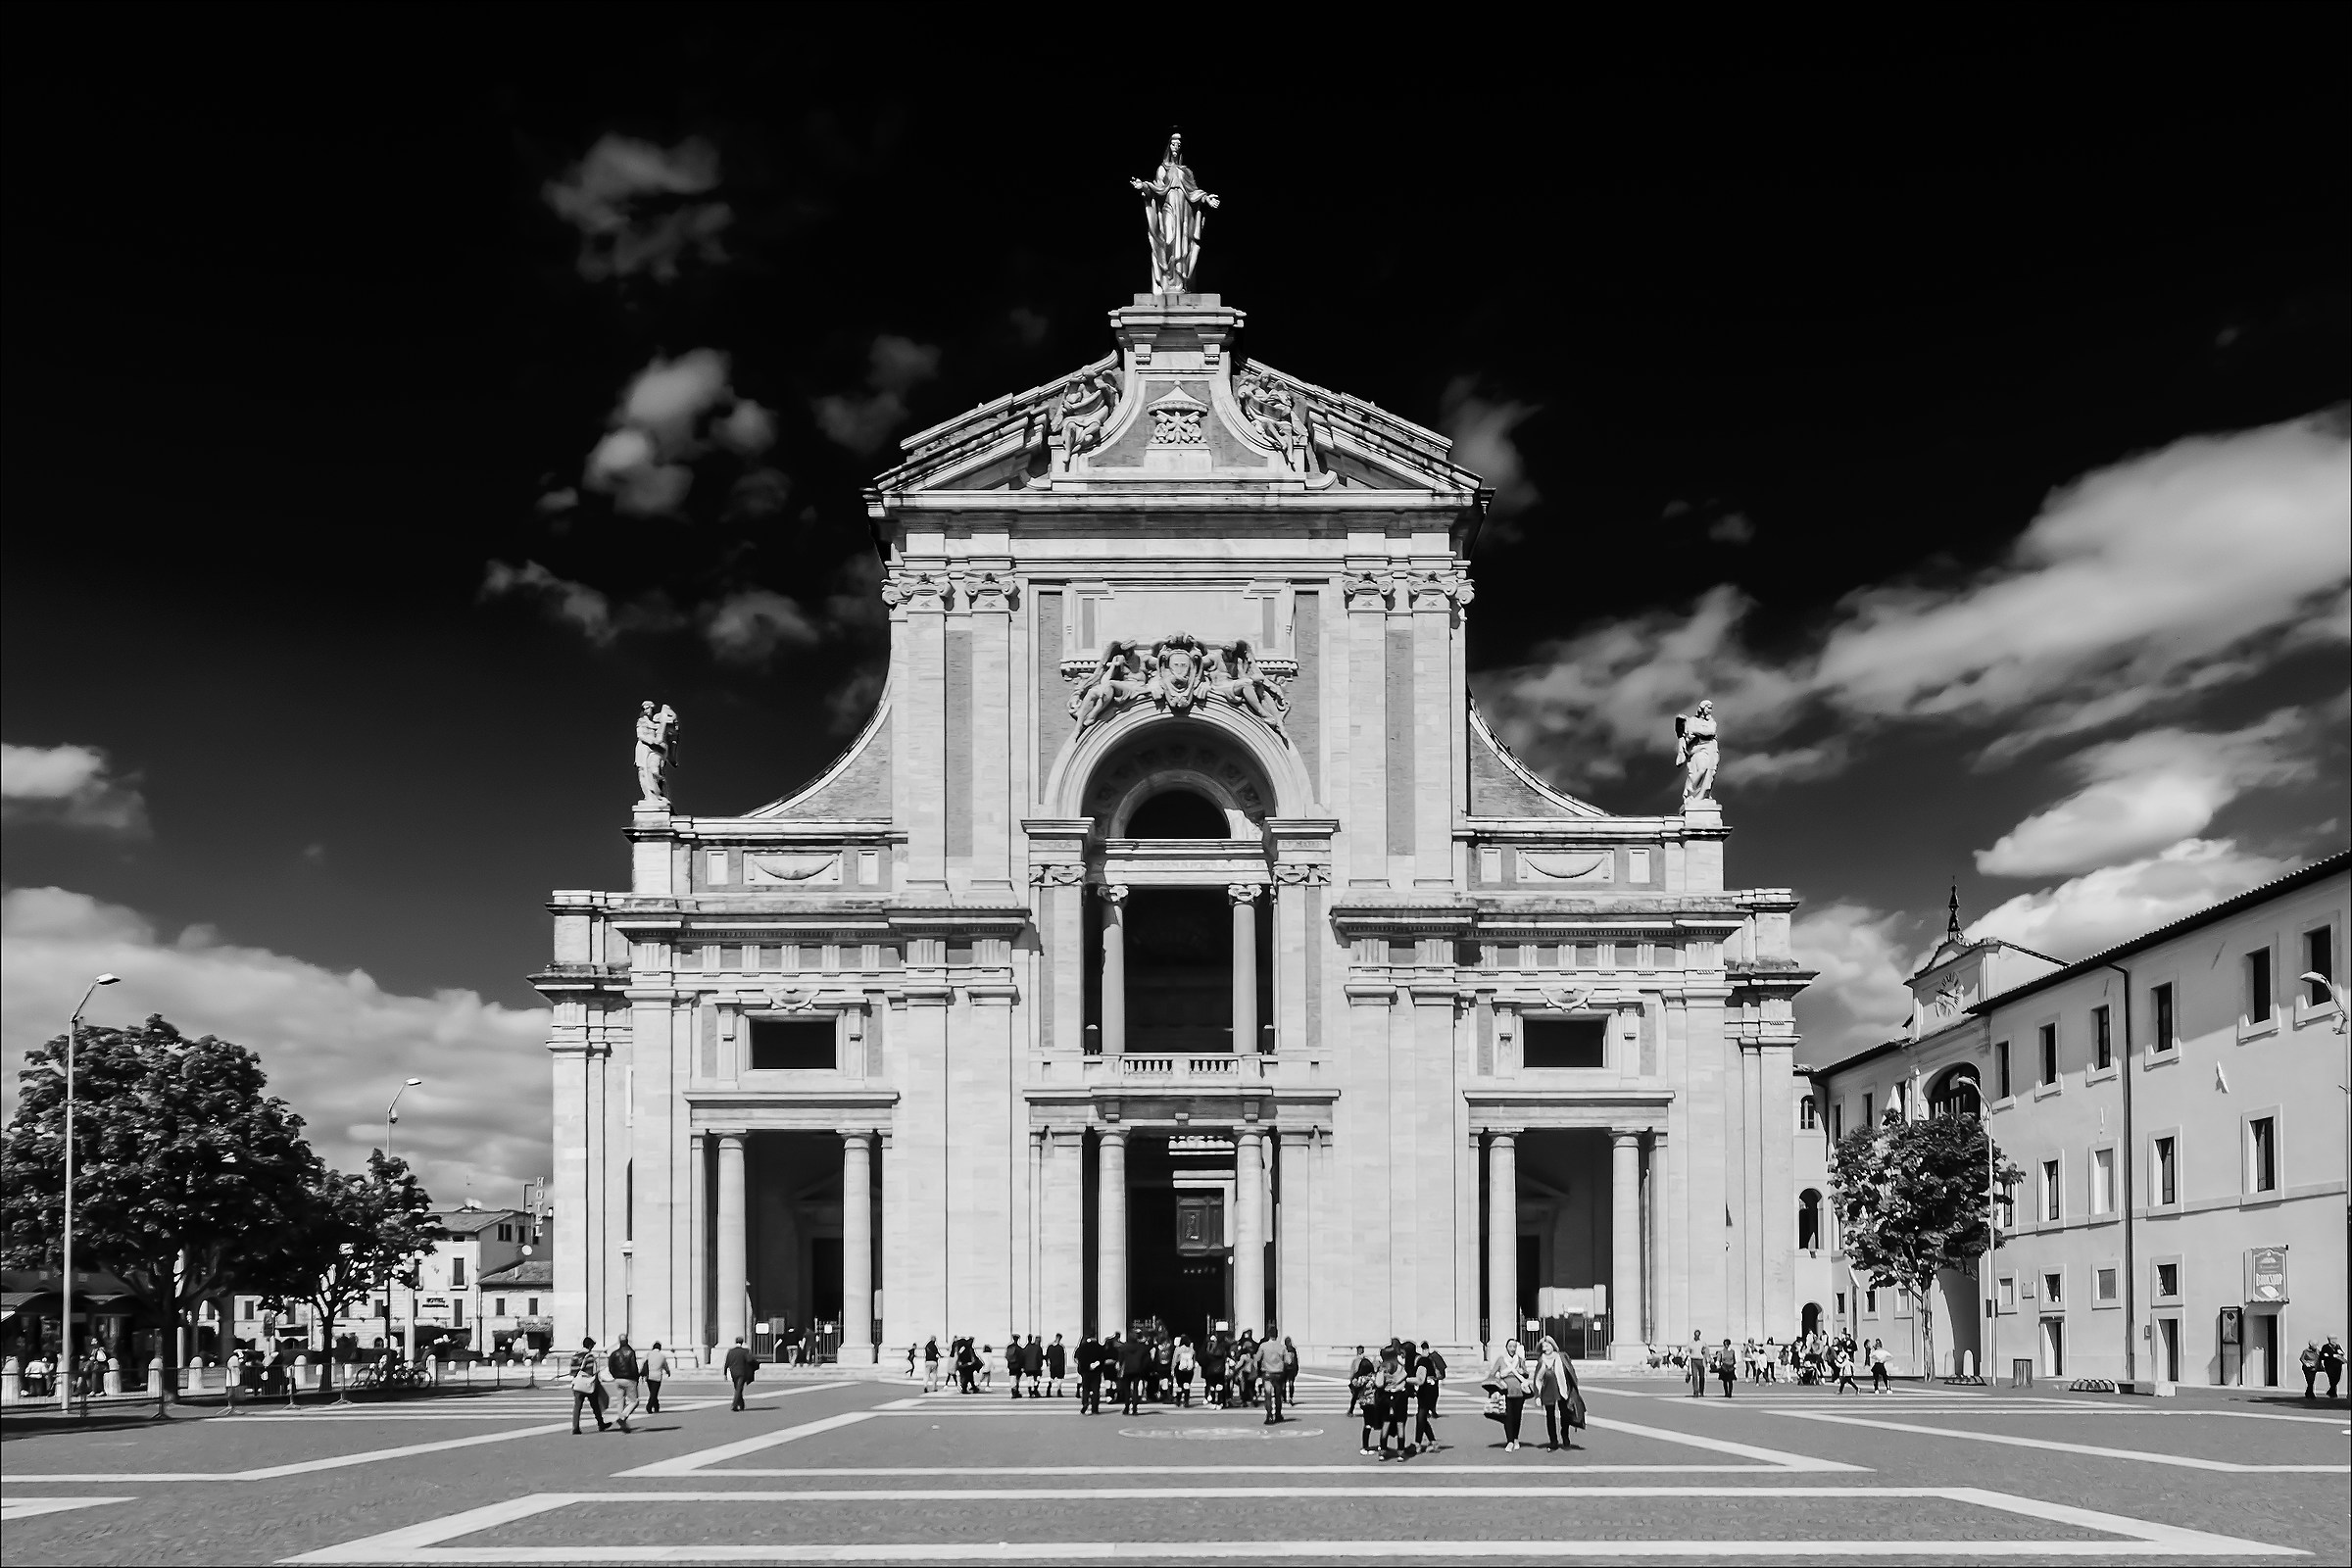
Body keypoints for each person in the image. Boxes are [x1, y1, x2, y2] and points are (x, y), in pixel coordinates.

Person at [1536, 1335, 1583, 1451]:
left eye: (1547, 1345)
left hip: (1562, 1390)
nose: (1545, 1348)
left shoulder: (1561, 1357)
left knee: (1565, 1415)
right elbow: (1537, 1379)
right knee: (1550, 1417)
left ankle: (1565, 1437)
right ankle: (1553, 1441)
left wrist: (1573, 1389)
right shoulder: (1542, 1360)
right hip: (1548, 1391)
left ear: (1553, 1346)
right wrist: (1538, 1395)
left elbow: (1570, 1372)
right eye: (1543, 1346)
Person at [1487, 1338, 1531, 1452]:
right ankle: (1510, 1440)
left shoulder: (1520, 1360)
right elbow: (1491, 1374)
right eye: (1510, 1346)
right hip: (1505, 1392)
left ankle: (1516, 1438)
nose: (1512, 1349)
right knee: (1508, 1417)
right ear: (1506, 1347)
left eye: (1514, 1346)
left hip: (1519, 1392)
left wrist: (1523, 1372)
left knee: (1517, 1417)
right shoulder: (1501, 1360)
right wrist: (1499, 1378)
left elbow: (1526, 1373)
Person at [568, 1336, 611, 1435]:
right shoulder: (589, 1356)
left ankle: (575, 1427)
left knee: (577, 1407)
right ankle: (600, 1423)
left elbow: (572, 1371)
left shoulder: (575, 1355)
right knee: (595, 1405)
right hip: (588, 1384)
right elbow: (593, 1371)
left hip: (577, 1384)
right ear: (590, 1346)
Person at [1413, 1341, 1446, 1452]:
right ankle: (1432, 1441)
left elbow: (1419, 1377)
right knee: (1421, 1417)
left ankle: (1417, 1443)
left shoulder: (1422, 1360)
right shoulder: (1433, 1357)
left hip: (1425, 1391)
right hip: (1432, 1388)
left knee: (1421, 1416)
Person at [607, 1336, 641, 1433]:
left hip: (618, 1379)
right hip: (629, 1379)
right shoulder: (631, 1352)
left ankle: (623, 1423)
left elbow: (610, 1366)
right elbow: (634, 1366)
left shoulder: (614, 1353)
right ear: (627, 1341)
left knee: (620, 1401)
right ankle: (623, 1417)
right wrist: (636, 1378)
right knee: (634, 1401)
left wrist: (615, 1375)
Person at [1257, 1327, 1289, 1424]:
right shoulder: (1282, 1347)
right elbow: (1288, 1361)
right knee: (1278, 1395)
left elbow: (1258, 1358)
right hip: (1279, 1372)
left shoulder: (1263, 1346)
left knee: (1268, 1395)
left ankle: (1269, 1415)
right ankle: (1278, 1414)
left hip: (1267, 1372)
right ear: (1277, 1335)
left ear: (1268, 1335)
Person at [1117, 1331, 1150, 1415]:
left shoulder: (1124, 1347)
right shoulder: (1142, 1347)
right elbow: (1146, 1359)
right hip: (1138, 1369)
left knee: (1127, 1389)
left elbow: (1120, 1359)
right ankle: (1134, 1408)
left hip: (1127, 1369)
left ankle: (1127, 1407)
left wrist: (1120, 1365)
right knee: (1135, 1389)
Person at [722, 1336, 756, 1412]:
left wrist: (724, 1373)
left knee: (737, 1388)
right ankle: (734, 1405)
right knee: (739, 1388)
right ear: (742, 1342)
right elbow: (750, 1360)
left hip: (733, 1372)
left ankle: (741, 1404)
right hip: (742, 1372)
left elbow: (726, 1363)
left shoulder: (730, 1351)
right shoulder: (745, 1351)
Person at [1076, 1330, 1103, 1415]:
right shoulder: (1099, 1347)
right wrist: (1096, 1364)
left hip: (1085, 1371)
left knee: (1086, 1389)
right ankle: (1094, 1408)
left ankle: (1085, 1402)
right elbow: (1103, 1358)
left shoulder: (1082, 1347)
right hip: (1096, 1372)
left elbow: (1078, 1358)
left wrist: (1086, 1366)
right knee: (1095, 1390)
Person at [1347, 1345, 1374, 1417]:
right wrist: (1352, 1378)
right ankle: (1351, 1410)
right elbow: (1353, 1369)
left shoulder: (1365, 1359)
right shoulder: (1356, 1360)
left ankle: (1354, 1410)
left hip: (1362, 1376)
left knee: (1360, 1395)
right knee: (1355, 1396)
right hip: (1358, 1376)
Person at [643, 1341, 670, 1414]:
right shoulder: (662, 1356)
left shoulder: (648, 1354)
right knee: (654, 1393)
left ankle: (656, 1406)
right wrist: (668, 1372)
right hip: (657, 1376)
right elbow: (665, 1365)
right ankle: (649, 1406)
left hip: (649, 1376)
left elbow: (643, 1364)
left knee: (652, 1392)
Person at [2321, 1335, 2345, 1399]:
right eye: (2332, 1339)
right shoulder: (2325, 1347)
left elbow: (2342, 1353)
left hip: (2338, 1365)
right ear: (2329, 1340)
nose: (2334, 1341)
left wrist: (2340, 1354)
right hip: (2329, 1365)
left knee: (2337, 1378)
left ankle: (2330, 1391)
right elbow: (2322, 1356)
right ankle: (2333, 1394)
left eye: (2335, 1339)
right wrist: (2332, 1356)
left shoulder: (2338, 1346)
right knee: (2332, 1379)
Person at [1046, 1333, 1067, 1397]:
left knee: (1052, 1378)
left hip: (1053, 1365)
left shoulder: (1050, 1347)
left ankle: (1049, 1389)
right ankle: (1058, 1391)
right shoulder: (1061, 1347)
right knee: (1059, 1379)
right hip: (1059, 1365)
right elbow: (1063, 1358)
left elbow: (1047, 1356)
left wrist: (1048, 1364)